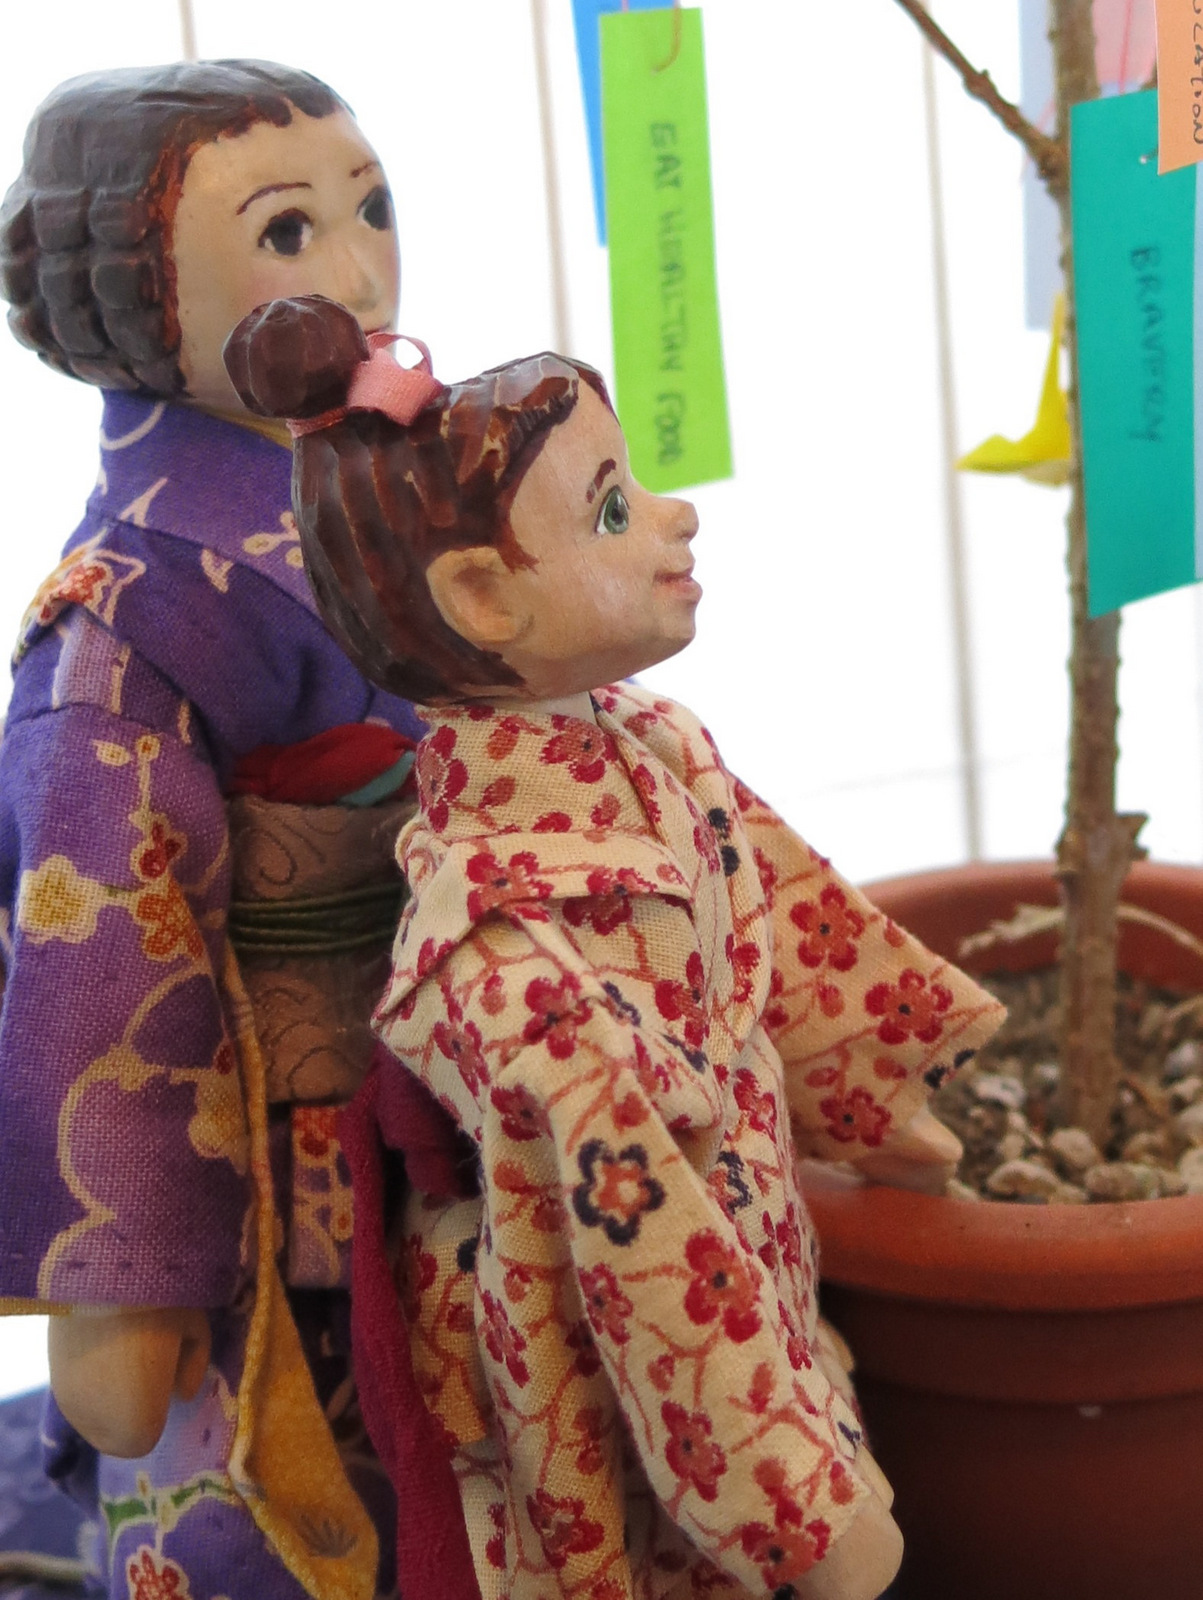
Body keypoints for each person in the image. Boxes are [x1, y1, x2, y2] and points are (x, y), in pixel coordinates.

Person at [225, 293, 1006, 1600]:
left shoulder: (658, 742)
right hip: (597, 1322)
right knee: (641, 1548)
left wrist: (862, 1091)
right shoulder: (498, 954)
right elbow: (635, 1233)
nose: (673, 514)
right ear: (482, 597)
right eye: (610, 511)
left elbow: (783, 912)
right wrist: (793, 1500)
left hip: (751, 1220)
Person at [0, 63, 426, 1600]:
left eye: (371, 208)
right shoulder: (131, 616)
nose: (361, 272)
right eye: (291, 232)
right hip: (275, 1131)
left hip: (466, 1064)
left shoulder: (396, 479)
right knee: (275, 1494)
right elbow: (103, 938)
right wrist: (116, 1280)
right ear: (134, 295)